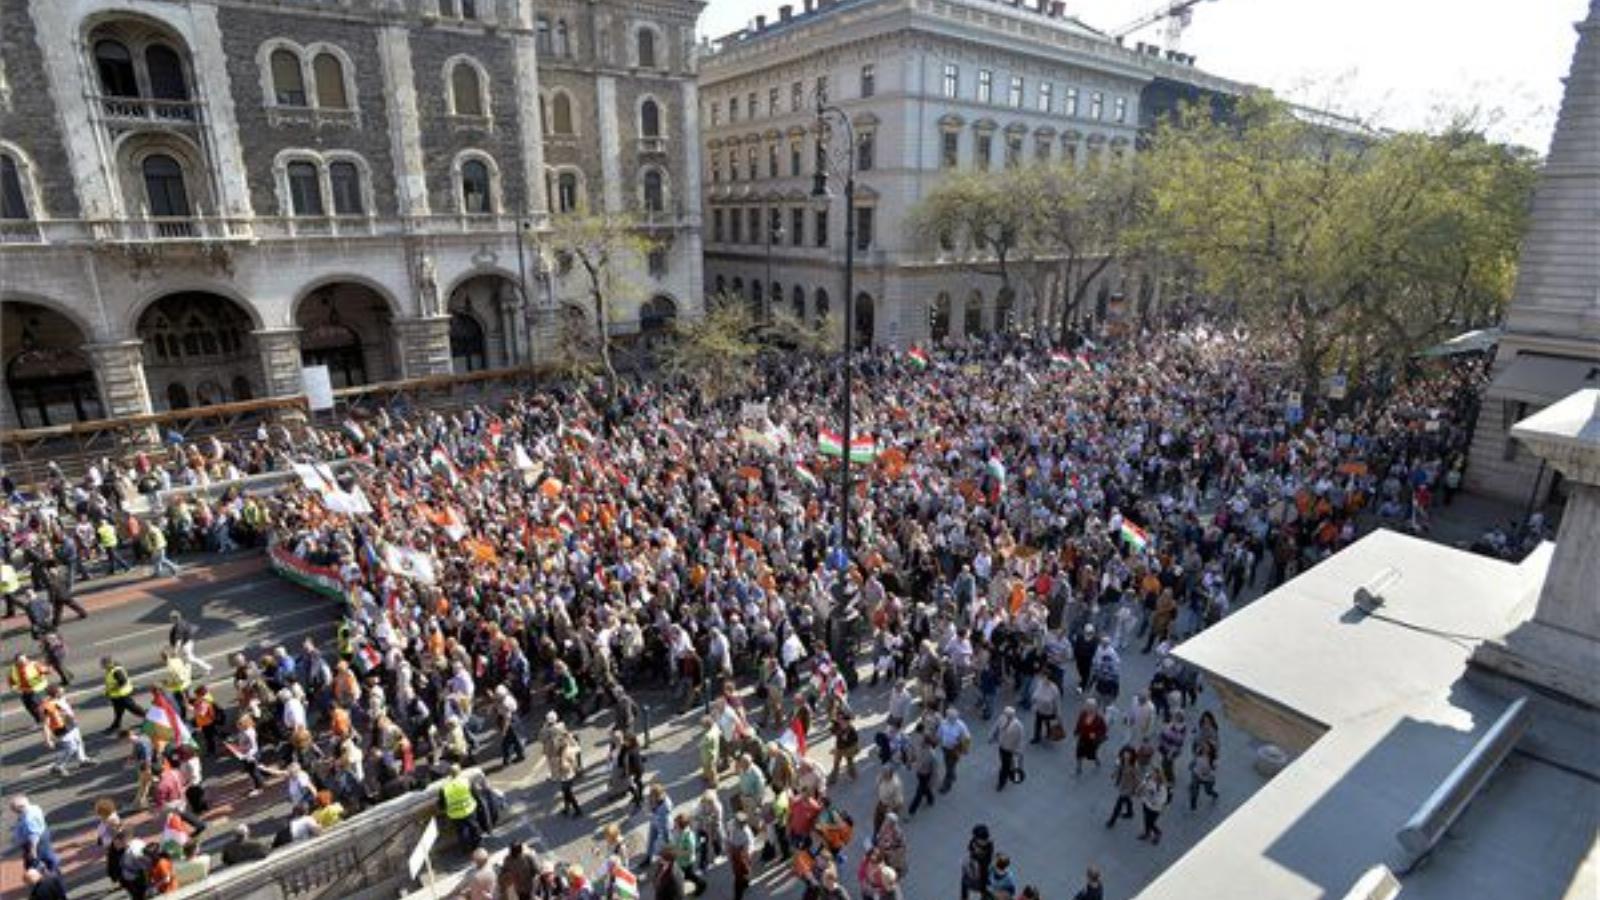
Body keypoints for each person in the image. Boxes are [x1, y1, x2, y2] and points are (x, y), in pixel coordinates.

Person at [40, 685, 93, 775]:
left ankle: (82, 760)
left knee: (79, 741)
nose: (63, 692)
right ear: (56, 694)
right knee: (71, 748)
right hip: (61, 729)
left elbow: (66, 710)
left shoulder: (61, 699)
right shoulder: (48, 706)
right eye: (61, 691)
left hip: (71, 725)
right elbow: (46, 724)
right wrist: (48, 739)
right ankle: (57, 767)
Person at [9, 796, 59, 873]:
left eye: (14, 809)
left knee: (33, 866)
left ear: (21, 807)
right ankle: (53, 872)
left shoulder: (28, 819)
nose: (13, 811)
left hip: (36, 844)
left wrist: (33, 852)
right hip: (43, 836)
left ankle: (47, 876)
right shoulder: (34, 808)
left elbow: (33, 836)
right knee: (48, 856)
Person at [439, 763, 481, 850]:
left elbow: (442, 804)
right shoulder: (466, 782)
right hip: (469, 809)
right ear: (460, 772)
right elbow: (475, 795)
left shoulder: (444, 788)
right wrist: (479, 804)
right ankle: (476, 846)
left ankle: (465, 848)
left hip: (455, 814)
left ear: (450, 774)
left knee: (461, 832)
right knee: (474, 828)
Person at [102, 657, 146, 734]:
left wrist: (112, 689)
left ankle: (150, 718)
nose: (102, 666)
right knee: (118, 712)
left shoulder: (116, 671)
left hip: (123, 695)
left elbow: (123, 682)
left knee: (134, 709)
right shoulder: (111, 669)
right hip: (116, 696)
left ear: (108, 664)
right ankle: (116, 726)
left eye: (103, 664)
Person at [9, 652, 52, 724]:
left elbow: (46, 670)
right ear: (16, 662)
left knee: (38, 706)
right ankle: (40, 720)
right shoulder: (14, 669)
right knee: (29, 707)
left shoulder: (34, 664)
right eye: (20, 661)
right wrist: (15, 688)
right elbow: (11, 681)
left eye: (24, 660)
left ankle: (46, 720)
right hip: (25, 692)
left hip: (37, 690)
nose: (23, 662)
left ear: (27, 659)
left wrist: (47, 670)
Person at [936, 707, 971, 793]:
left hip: (954, 749)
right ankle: (952, 774)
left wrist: (965, 749)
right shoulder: (944, 723)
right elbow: (939, 733)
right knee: (948, 763)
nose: (950, 719)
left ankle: (947, 785)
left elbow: (967, 738)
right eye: (949, 717)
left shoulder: (960, 725)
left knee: (949, 767)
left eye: (952, 717)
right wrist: (938, 741)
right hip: (945, 748)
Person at [1106, 745, 1140, 829]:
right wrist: (1114, 774)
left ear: (1132, 755)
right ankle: (1130, 812)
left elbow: (1137, 779)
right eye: (1125, 754)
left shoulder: (1134, 766)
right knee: (1127, 799)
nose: (1126, 756)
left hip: (1128, 787)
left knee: (1119, 804)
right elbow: (1118, 769)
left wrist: (1136, 789)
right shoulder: (1121, 761)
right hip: (1122, 784)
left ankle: (1112, 821)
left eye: (1128, 754)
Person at [991, 705, 1024, 790]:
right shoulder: (1002, 718)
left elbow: (1020, 739)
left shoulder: (1018, 725)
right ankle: (1009, 769)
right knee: (1005, 761)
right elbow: (996, 727)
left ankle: (1001, 782)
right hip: (1002, 745)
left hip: (1011, 748)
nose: (1006, 716)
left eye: (1008, 715)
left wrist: (1018, 750)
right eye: (1005, 714)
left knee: (1004, 766)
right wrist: (992, 736)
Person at [1073, 698, 1109, 776]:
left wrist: (1096, 734)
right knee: (1079, 753)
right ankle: (1078, 768)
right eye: (1087, 706)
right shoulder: (1083, 714)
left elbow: (1104, 729)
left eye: (1090, 706)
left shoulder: (1099, 719)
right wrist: (1076, 731)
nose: (1088, 708)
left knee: (1091, 754)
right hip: (1083, 737)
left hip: (1092, 740)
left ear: (1095, 708)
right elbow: (1079, 723)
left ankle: (1096, 761)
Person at [906, 732, 937, 816]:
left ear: (926, 743)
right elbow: (915, 756)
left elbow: (935, 771)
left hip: (926, 776)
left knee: (918, 794)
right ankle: (930, 799)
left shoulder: (932, 754)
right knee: (925, 789)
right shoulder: (919, 748)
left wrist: (932, 782)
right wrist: (909, 762)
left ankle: (911, 812)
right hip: (919, 773)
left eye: (922, 740)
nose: (919, 741)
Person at [960, 825, 994, 900]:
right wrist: (974, 849)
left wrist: (979, 853)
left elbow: (987, 860)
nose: (976, 839)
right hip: (972, 866)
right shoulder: (974, 840)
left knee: (982, 883)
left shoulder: (989, 845)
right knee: (964, 881)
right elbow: (969, 847)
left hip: (982, 868)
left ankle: (984, 894)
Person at [1138, 767, 1170, 845]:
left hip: (1155, 808)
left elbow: (1163, 799)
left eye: (1155, 774)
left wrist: (1153, 802)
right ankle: (1147, 833)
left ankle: (1158, 833)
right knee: (1146, 820)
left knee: (1151, 823)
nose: (1153, 775)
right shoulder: (1148, 780)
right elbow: (1143, 787)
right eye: (1152, 773)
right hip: (1146, 804)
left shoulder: (1162, 787)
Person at [1189, 739, 1220, 809]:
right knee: (1194, 791)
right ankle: (1193, 805)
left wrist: (1206, 773)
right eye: (1204, 746)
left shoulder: (1213, 760)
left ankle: (1214, 794)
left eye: (1206, 747)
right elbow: (1195, 759)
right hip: (1196, 774)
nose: (1204, 747)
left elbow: (1214, 771)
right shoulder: (1199, 751)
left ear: (1211, 749)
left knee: (1208, 791)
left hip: (1207, 779)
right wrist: (1192, 765)